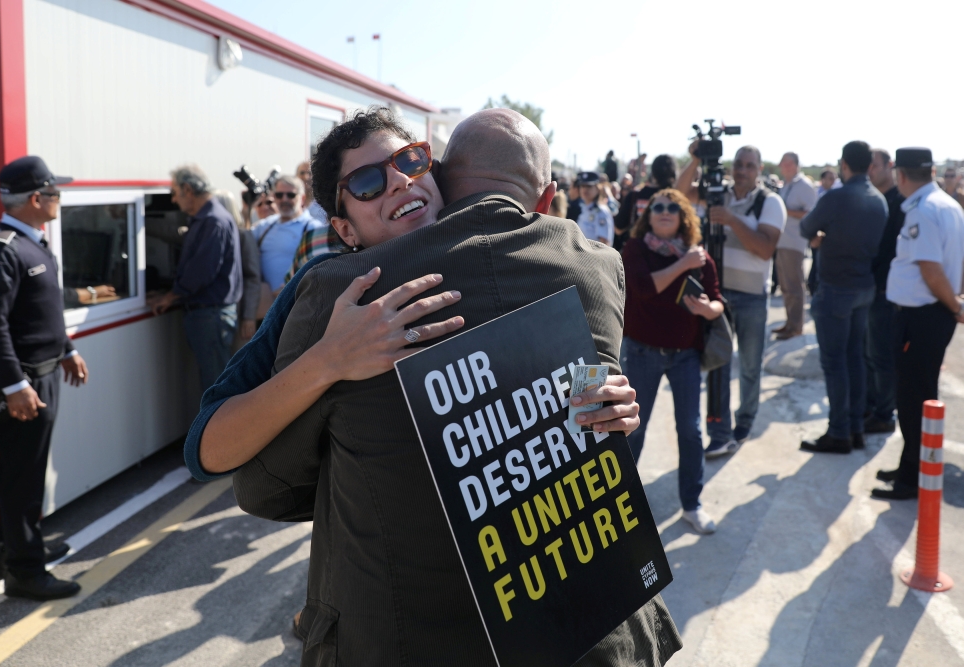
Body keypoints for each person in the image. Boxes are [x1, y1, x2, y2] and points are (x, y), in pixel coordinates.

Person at [230, 108, 680, 665]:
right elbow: (591, 412)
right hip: (597, 627)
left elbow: (263, 487)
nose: (397, 182)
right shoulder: (593, 264)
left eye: (408, 163)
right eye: (369, 183)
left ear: (437, 173)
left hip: (405, 641)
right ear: (547, 198)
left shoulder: (341, 294)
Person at [0, 155, 90, 600]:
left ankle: (21, 547)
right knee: (22, 478)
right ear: (38, 198)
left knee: (28, 471)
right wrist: (14, 386)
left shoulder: (32, 242)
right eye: (56, 192)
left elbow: (41, 310)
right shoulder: (3, 249)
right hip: (23, 385)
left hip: (41, 377)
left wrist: (67, 350)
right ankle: (24, 572)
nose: (61, 198)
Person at [621, 188, 723, 535]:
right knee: (633, 429)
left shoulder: (699, 256)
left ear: (683, 217)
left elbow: (718, 302)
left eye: (672, 208)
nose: (664, 212)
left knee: (691, 431)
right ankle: (618, 501)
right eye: (657, 207)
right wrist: (683, 264)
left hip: (685, 356)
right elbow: (643, 288)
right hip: (641, 353)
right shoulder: (635, 249)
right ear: (648, 216)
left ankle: (692, 505)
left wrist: (708, 309)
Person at [678, 145, 786, 456]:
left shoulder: (770, 202)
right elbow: (680, 194)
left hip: (751, 297)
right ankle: (720, 432)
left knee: (750, 366)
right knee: (719, 364)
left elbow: (765, 249)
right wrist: (696, 158)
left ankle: (745, 423)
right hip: (719, 295)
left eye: (749, 165)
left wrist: (732, 220)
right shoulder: (717, 193)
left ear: (759, 169)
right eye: (738, 164)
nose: (742, 170)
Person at [872, 148, 964, 500]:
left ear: (901, 175)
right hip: (930, 315)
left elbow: (930, 268)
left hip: (922, 317)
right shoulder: (947, 205)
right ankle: (911, 466)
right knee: (916, 396)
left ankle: (912, 479)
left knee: (914, 400)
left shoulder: (923, 210)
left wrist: (954, 305)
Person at [798, 141, 887, 454]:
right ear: (869, 166)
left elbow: (805, 227)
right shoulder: (878, 200)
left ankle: (839, 432)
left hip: (836, 289)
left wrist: (824, 237)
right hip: (863, 288)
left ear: (844, 164)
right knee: (855, 359)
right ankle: (855, 428)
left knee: (835, 363)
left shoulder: (837, 197)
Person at [152, 165, 242, 393]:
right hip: (209, 315)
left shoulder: (213, 221)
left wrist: (169, 297)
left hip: (210, 316)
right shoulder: (206, 219)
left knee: (216, 386)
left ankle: (221, 419)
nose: (173, 200)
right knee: (213, 381)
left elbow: (202, 271)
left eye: (174, 192)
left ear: (188, 189)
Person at [863, 149, 905, 434]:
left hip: (887, 291)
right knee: (868, 354)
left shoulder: (900, 202)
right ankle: (871, 406)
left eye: (874, 166)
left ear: (889, 166)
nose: (870, 171)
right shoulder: (872, 199)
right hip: (870, 288)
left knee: (882, 356)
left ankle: (884, 414)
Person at [252, 174, 324, 294]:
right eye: (279, 195)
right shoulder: (264, 226)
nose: (284, 199)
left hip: (299, 298)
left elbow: (321, 268)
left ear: (302, 198)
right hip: (267, 301)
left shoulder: (314, 228)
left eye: (290, 195)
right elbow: (241, 246)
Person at [773, 152, 818, 340]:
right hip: (782, 241)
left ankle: (796, 326)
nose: (782, 166)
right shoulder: (787, 185)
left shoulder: (804, 186)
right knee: (785, 286)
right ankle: (790, 323)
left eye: (785, 163)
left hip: (794, 241)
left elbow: (812, 213)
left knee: (794, 285)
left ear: (794, 164)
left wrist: (786, 211)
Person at [214, 190, 260, 345]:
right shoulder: (215, 233)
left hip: (238, 312)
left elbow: (252, 277)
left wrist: (249, 316)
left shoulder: (243, 235)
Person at [618, 155, 678, 252]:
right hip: (674, 253)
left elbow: (618, 229)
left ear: (652, 172)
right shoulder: (678, 198)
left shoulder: (635, 196)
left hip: (639, 252)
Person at [575, 171, 615, 246]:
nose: (585, 189)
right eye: (583, 186)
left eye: (589, 186)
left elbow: (604, 244)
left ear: (597, 188)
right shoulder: (584, 208)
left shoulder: (601, 212)